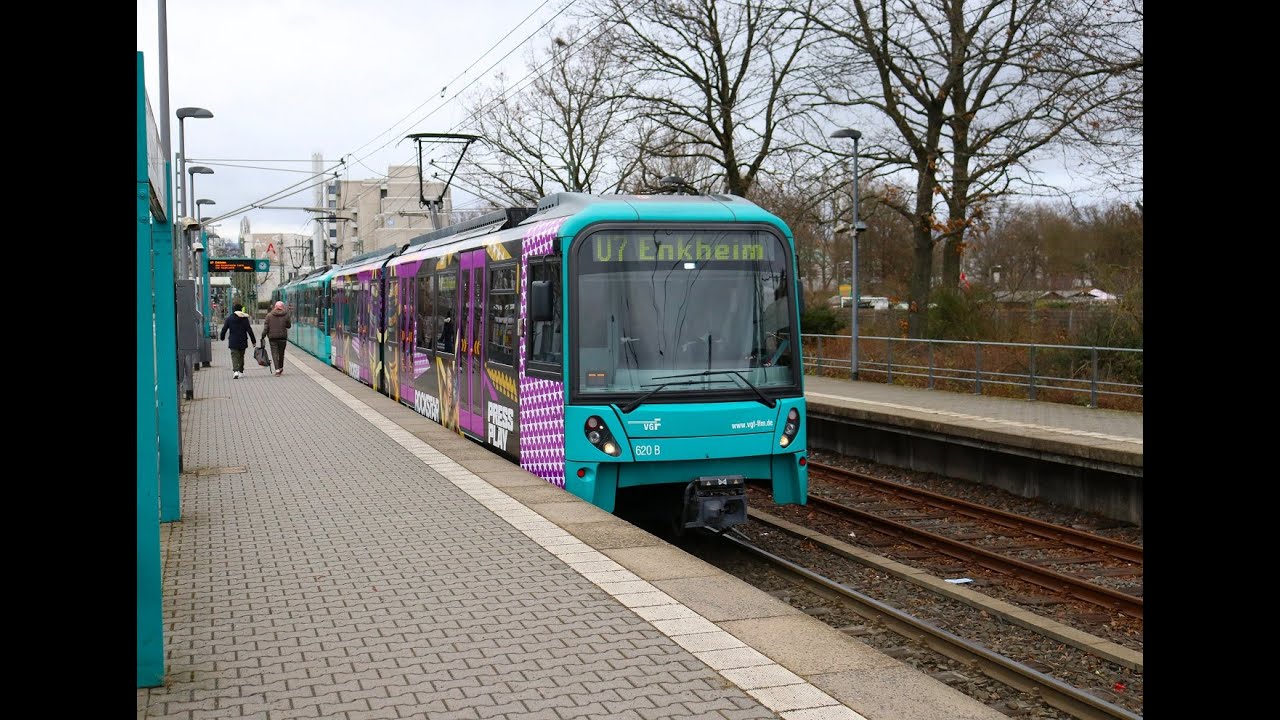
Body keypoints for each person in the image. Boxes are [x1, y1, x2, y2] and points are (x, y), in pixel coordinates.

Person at [218, 302, 257, 379]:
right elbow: (249, 330)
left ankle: (235, 371)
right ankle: (241, 371)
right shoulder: (244, 319)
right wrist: (253, 341)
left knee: (234, 356)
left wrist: (222, 337)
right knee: (241, 356)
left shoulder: (229, 318)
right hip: (243, 340)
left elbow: (224, 329)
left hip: (233, 341)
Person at [264, 300, 292, 376]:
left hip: (272, 338)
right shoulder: (286, 315)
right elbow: (289, 326)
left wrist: (263, 336)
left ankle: (277, 370)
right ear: (283, 307)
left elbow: (266, 328)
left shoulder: (269, 315)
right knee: (281, 353)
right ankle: (281, 367)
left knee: (274, 353)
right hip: (282, 337)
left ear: (275, 307)